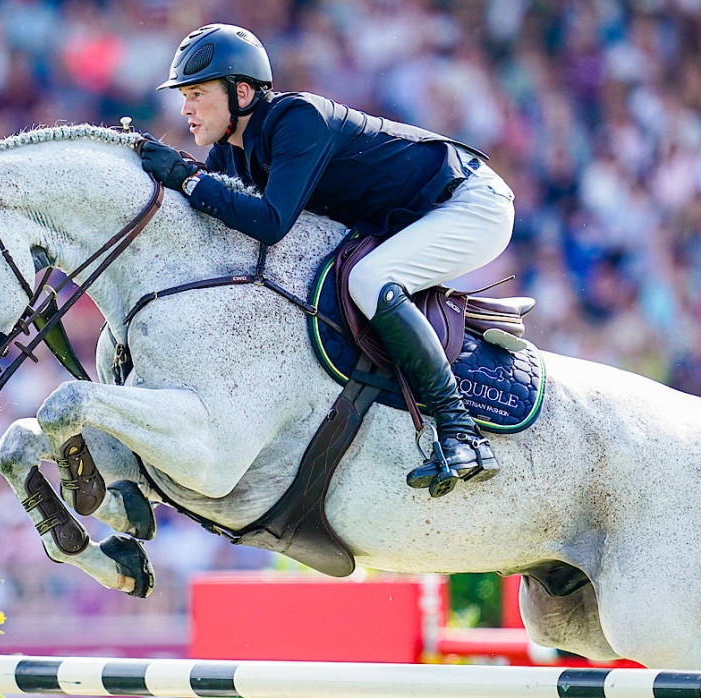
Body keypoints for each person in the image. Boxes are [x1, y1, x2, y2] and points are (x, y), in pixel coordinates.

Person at [139, 23, 515, 495]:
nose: (185, 107)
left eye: (196, 92)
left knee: (370, 279)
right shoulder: (229, 155)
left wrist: (188, 180)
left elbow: (271, 222)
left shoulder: (297, 119)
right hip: (417, 217)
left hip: (468, 203)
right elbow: (218, 220)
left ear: (240, 92)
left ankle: (460, 431)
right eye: (183, 96)